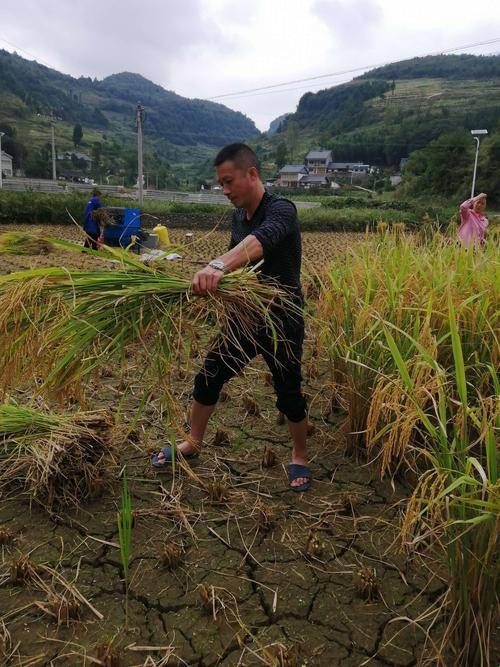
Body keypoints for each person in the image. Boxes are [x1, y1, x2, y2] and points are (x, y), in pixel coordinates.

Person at [150, 143, 311, 491]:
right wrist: (216, 287)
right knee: (210, 375)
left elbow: (259, 242)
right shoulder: (238, 217)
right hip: (248, 314)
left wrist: (217, 265)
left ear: (251, 174)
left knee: (288, 393)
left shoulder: (282, 209)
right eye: (220, 184)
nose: (224, 191)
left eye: (228, 182)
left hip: (283, 319)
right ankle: (193, 442)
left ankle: (299, 455)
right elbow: (239, 264)